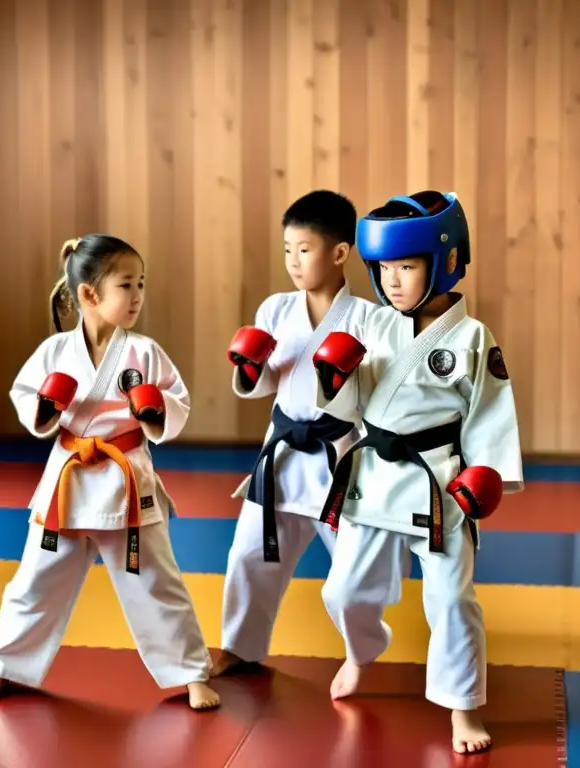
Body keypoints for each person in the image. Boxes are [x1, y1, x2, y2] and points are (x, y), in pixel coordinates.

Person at [0, 234, 220, 711]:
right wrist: (46, 406)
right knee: (34, 583)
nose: (138, 296)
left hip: (127, 486)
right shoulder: (55, 352)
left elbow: (176, 402)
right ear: (89, 294)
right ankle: (4, 666)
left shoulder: (144, 352)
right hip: (68, 481)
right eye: (127, 285)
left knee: (157, 583)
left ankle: (190, 674)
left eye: (141, 284)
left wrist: (154, 409)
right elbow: (28, 400)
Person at [310, 191, 524, 754]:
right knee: (343, 591)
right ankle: (361, 650)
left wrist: (487, 476)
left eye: (407, 265)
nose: (394, 280)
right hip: (373, 478)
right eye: (384, 268)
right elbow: (352, 405)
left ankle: (462, 707)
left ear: (446, 261)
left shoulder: (472, 338)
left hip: (438, 485)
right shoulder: (376, 325)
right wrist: (333, 380)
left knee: (452, 601)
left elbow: (490, 413)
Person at [213, 190, 377, 677]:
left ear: (340, 252)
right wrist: (248, 367)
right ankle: (239, 645)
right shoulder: (276, 310)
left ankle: (359, 652)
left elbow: (372, 397)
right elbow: (260, 385)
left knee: (354, 570)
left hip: (339, 456)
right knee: (248, 554)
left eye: (304, 249)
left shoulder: (371, 319)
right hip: (282, 455)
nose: (292, 261)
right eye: (287, 249)